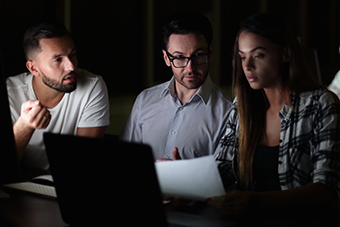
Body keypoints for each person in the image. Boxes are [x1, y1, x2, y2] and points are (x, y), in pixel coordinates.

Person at [205, 13, 340, 219]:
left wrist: (254, 201)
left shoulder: (320, 104)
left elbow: (327, 189)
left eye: (258, 55)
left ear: (285, 54)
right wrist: (187, 179)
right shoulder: (242, 107)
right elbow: (223, 167)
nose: (247, 65)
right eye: (242, 56)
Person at [119, 12, 232, 160]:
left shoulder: (229, 112)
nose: (190, 68)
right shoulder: (145, 100)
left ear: (210, 53)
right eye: (179, 57)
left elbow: (223, 178)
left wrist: (183, 176)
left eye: (198, 55)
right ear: (166, 58)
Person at [7, 22, 110, 179]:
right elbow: (4, 168)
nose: (71, 66)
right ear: (33, 68)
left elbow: (84, 161)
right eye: (57, 60)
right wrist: (25, 126)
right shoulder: (9, 93)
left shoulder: (91, 86)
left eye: (72, 55)